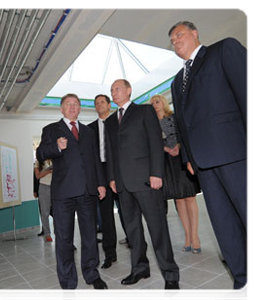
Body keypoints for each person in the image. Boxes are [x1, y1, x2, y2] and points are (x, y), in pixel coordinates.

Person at [168, 21, 251, 300]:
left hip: (235, 152)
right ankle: (243, 285)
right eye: (171, 40)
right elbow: (181, 123)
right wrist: (188, 158)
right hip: (203, 165)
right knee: (224, 226)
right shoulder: (175, 81)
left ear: (195, 33)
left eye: (179, 34)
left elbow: (248, 90)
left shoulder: (223, 50)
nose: (175, 41)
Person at [105, 79, 180, 298]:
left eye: (117, 89)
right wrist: (111, 178)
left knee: (158, 229)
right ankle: (139, 268)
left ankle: (171, 275)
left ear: (129, 91)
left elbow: (156, 142)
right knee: (132, 231)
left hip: (147, 180)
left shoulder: (144, 111)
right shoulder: (110, 121)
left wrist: (157, 173)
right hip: (122, 184)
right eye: (111, 90)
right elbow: (110, 152)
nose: (114, 93)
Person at [36, 93, 108, 300]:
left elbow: (95, 160)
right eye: (68, 104)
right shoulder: (51, 129)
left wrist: (101, 183)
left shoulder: (87, 131)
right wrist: (56, 147)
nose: (72, 107)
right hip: (63, 194)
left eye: (76, 104)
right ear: (61, 109)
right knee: (65, 240)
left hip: (87, 192)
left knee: (89, 237)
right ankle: (68, 284)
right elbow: (41, 153)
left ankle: (92, 274)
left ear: (79, 108)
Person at [150, 94, 201, 254]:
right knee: (178, 199)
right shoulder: (151, 123)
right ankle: (187, 236)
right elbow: (151, 142)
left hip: (181, 158)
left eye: (157, 102)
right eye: (152, 103)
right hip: (166, 161)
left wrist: (178, 146)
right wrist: (166, 149)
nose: (154, 105)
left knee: (189, 196)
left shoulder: (174, 117)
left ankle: (195, 236)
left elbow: (184, 134)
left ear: (163, 102)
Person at [88, 94, 120, 269]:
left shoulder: (119, 121)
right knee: (106, 217)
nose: (99, 104)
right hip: (101, 173)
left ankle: (135, 245)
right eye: (96, 103)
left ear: (109, 105)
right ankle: (110, 254)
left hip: (121, 172)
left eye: (102, 102)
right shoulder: (90, 129)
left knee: (128, 213)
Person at [34, 159, 53, 242]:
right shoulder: (39, 161)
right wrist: (48, 171)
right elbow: (37, 176)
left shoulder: (55, 158)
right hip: (44, 187)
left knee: (58, 212)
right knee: (44, 212)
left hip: (56, 187)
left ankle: (60, 233)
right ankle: (47, 234)